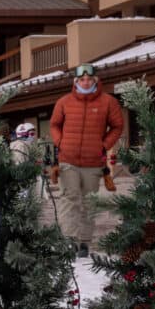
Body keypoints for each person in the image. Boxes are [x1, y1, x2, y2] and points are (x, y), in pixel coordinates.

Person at [50, 63, 124, 257]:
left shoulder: (108, 102)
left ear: (95, 80)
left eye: (89, 79)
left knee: (89, 202)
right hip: (68, 160)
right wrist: (61, 142)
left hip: (93, 163)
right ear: (76, 81)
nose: (85, 82)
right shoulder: (64, 102)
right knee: (69, 199)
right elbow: (54, 124)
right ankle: (69, 241)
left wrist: (104, 145)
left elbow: (117, 126)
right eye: (81, 79)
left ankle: (84, 242)